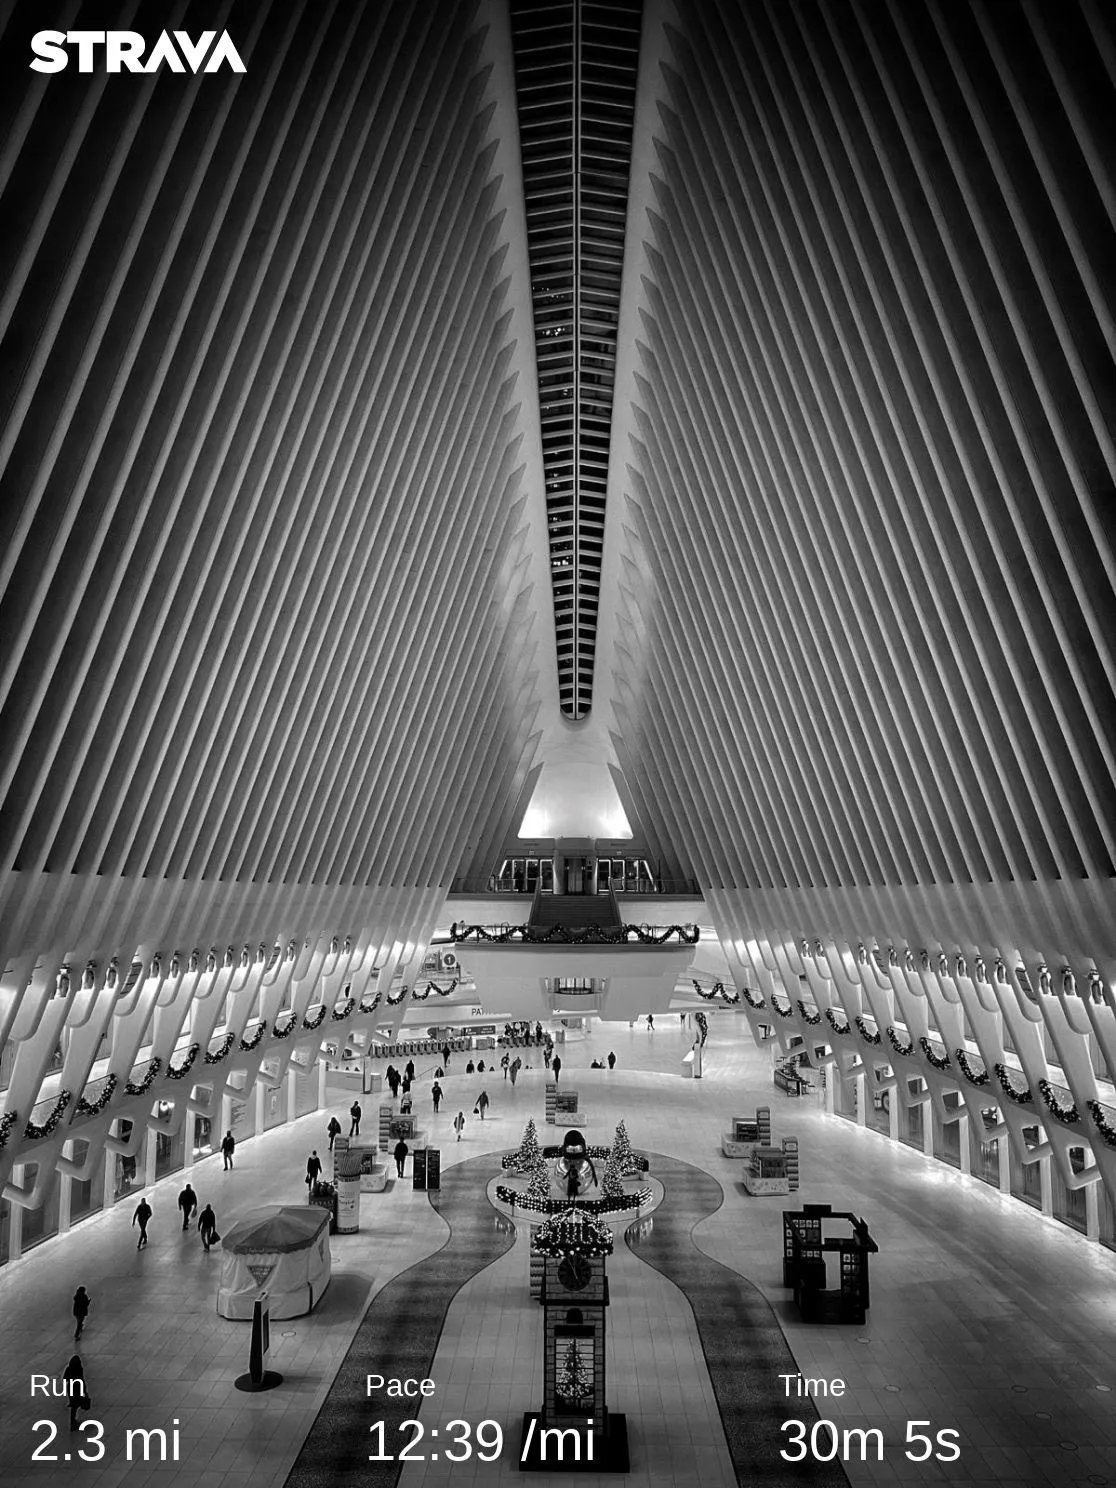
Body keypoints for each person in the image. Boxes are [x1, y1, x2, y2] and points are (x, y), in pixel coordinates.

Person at [63, 1354, 88, 1431]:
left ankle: (73, 1421)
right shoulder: (79, 1368)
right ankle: (73, 1422)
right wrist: (84, 1391)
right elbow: (82, 1379)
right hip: (78, 1387)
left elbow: (64, 1378)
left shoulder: (68, 1368)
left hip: (70, 1388)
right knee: (76, 1405)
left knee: (74, 1404)